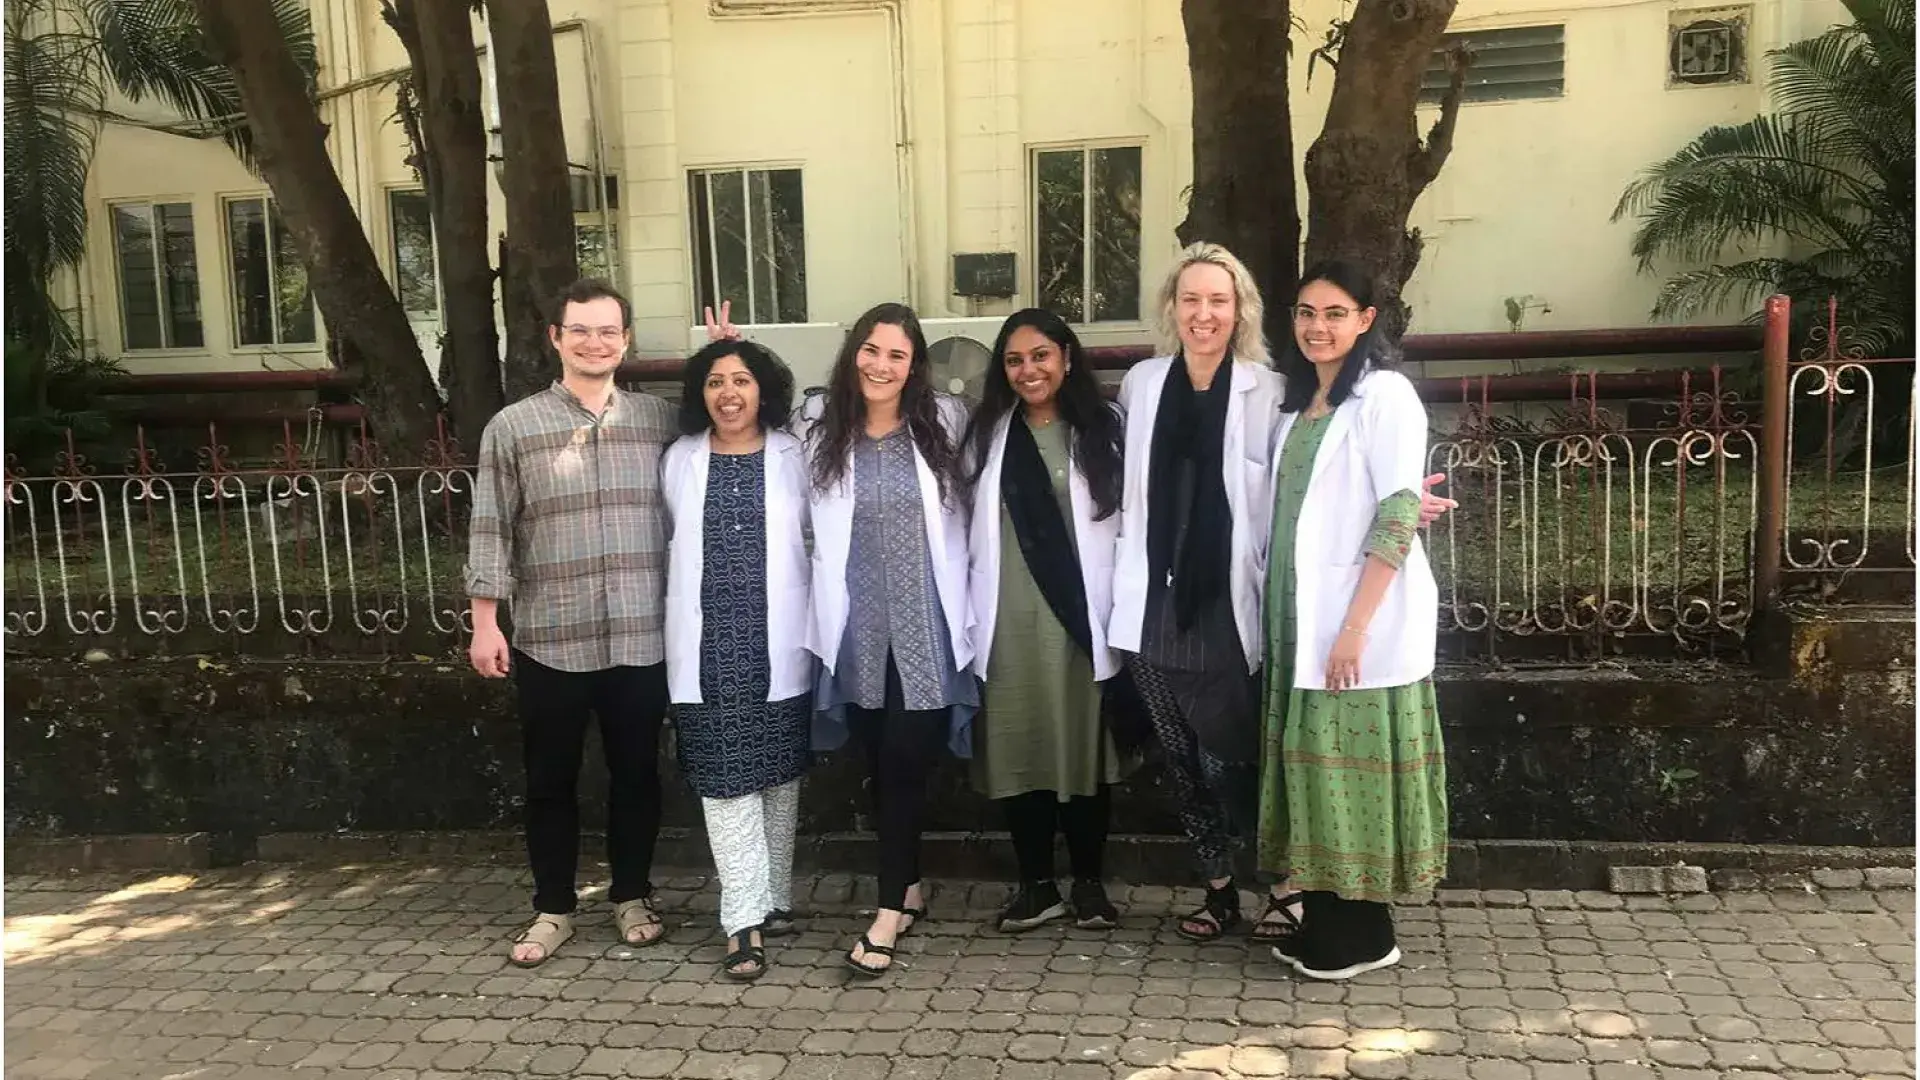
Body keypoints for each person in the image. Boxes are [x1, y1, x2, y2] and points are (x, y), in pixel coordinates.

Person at [1108, 244, 1454, 950]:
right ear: (1171, 308)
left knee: (1232, 756)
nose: (1204, 314)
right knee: (1177, 758)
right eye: (1191, 299)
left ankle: (1287, 888)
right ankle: (1216, 888)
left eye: (1219, 300)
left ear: (1241, 312)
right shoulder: (1141, 384)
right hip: (1149, 599)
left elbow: (1311, 481)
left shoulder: (1268, 388)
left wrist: (1400, 501)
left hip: (1228, 603)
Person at [466, 278, 676, 967]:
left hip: (642, 635)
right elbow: (491, 528)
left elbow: (740, 420)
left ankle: (632, 894)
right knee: (550, 782)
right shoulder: (514, 427)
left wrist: (726, 353)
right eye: (580, 330)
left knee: (637, 776)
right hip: (552, 638)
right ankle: (553, 906)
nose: (595, 342)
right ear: (555, 337)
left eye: (608, 330)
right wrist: (485, 623)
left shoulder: (658, 421)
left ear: (626, 339)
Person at [1257, 260, 1448, 981]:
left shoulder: (1385, 396)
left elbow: (1397, 511)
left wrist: (1355, 628)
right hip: (1295, 617)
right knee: (1315, 773)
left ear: (1366, 319)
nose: (1317, 326)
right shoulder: (1304, 404)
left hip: (1350, 622)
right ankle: (1332, 923)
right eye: (1306, 312)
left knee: (1350, 774)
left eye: (1335, 313)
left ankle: (1362, 938)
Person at [801, 302, 976, 978]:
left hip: (927, 626)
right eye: (871, 350)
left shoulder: (945, 427)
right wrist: (732, 351)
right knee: (878, 760)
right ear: (853, 354)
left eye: (896, 355)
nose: (880, 365)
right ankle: (907, 887)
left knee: (905, 762)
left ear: (915, 366)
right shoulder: (821, 429)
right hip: (857, 629)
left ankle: (883, 917)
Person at [963, 308, 1139, 932]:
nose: (1028, 370)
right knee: (1020, 748)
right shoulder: (985, 433)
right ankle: (1036, 886)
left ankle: (1089, 884)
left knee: (1085, 754)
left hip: (1082, 619)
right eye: (1014, 360)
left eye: (1040, 355)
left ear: (1066, 357)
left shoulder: (1106, 428)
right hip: (1006, 619)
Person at [662, 332, 813, 981]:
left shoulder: (795, 453)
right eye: (717, 380)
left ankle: (775, 897)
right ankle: (741, 920)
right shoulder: (678, 459)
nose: (729, 393)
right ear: (701, 394)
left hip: (779, 639)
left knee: (779, 773)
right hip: (705, 646)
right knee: (727, 781)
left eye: (742, 380)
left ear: (764, 391)